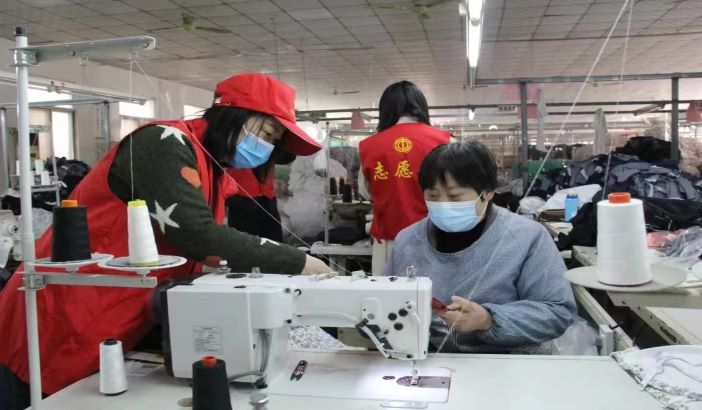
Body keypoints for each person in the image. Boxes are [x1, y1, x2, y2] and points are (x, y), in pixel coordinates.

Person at [0, 73, 331, 408]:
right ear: (234, 115)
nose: (267, 147)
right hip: (61, 308)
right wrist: (300, 262)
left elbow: (192, 242)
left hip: (113, 310)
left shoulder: (210, 164)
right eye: (267, 134)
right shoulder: (163, 143)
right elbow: (197, 235)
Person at [385, 141, 577, 353]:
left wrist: (488, 320)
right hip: (430, 358)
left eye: (455, 197)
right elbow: (384, 301)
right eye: (433, 196)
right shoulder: (408, 240)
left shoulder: (527, 237)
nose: (443, 204)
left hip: (507, 359)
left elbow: (558, 311)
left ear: (487, 192)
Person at [358, 81, 450, 275]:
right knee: (433, 289)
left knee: (389, 290)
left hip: (388, 239)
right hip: (435, 236)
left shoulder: (370, 146)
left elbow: (365, 191)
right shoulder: (444, 141)